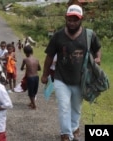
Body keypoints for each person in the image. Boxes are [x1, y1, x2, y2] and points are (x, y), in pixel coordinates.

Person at [41, 4, 101, 141]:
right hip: (61, 78)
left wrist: (98, 58)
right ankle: (65, 134)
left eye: (75, 20)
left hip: (81, 79)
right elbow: (49, 56)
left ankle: (74, 130)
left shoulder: (89, 35)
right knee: (64, 107)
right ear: (65, 19)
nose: (72, 23)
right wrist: (45, 75)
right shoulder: (58, 36)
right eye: (69, 19)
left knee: (76, 108)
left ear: (81, 19)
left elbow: (97, 48)